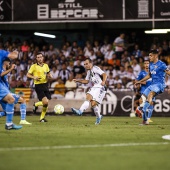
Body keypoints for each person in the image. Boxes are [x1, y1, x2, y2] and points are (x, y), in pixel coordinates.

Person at [135, 50, 170, 125]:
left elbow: (168, 72)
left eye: (151, 55)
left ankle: (142, 109)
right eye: (149, 55)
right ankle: (145, 121)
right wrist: (139, 81)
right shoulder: (150, 65)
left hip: (159, 85)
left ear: (155, 56)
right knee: (141, 99)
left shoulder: (162, 64)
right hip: (152, 85)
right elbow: (149, 75)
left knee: (150, 95)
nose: (149, 57)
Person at [71, 58, 107, 125]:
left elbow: (104, 74)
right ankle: (80, 111)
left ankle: (98, 117)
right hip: (95, 86)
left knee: (93, 104)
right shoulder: (88, 72)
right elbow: (86, 81)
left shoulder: (95, 68)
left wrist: (104, 81)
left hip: (101, 87)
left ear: (91, 63)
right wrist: (78, 80)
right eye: (84, 64)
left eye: (87, 64)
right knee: (88, 97)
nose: (85, 65)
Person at [0, 59, 31, 125]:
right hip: (3, 92)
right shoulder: (2, 69)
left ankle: (10, 123)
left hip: (4, 92)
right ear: (6, 63)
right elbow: (1, 74)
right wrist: (11, 69)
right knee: (22, 100)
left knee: (7, 111)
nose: (9, 65)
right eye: (9, 63)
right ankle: (22, 120)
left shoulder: (5, 71)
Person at [27, 52, 53, 122]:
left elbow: (48, 74)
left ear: (43, 58)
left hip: (45, 85)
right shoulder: (33, 66)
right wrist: (34, 77)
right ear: (36, 58)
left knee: (46, 102)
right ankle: (35, 105)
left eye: (40, 57)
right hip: (38, 85)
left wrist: (50, 76)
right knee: (45, 102)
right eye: (38, 57)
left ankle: (42, 118)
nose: (39, 58)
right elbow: (28, 75)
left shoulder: (46, 66)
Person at [0, 49, 22, 130]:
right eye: (8, 62)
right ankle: (9, 124)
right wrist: (16, 52)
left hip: (3, 88)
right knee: (13, 100)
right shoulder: (1, 53)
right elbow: (14, 56)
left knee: (11, 100)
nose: (9, 63)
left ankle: (9, 124)